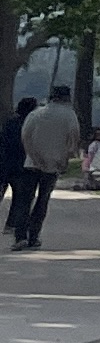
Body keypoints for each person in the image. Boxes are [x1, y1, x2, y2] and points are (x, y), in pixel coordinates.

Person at [10, 85, 81, 248]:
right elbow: (74, 138)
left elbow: (25, 136)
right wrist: (66, 158)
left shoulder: (36, 114)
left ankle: (20, 236)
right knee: (42, 201)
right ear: (67, 98)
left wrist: (33, 156)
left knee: (24, 200)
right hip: (53, 163)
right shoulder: (69, 115)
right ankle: (34, 236)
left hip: (32, 163)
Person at [0, 98, 29, 242]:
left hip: (4, 162)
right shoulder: (28, 125)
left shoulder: (10, 123)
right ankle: (11, 224)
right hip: (20, 165)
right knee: (19, 197)